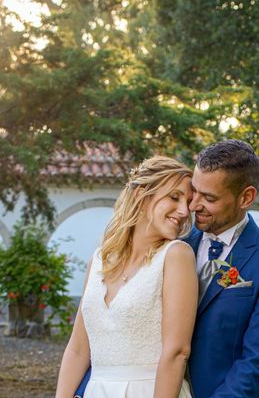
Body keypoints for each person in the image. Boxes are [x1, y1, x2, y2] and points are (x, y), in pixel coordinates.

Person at [55, 156, 198, 398]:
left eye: (188, 202)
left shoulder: (176, 255)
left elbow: (178, 351)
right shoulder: (98, 260)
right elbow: (79, 349)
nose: (184, 211)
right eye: (174, 197)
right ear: (142, 195)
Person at [185, 139, 259, 398]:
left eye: (209, 198)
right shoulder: (177, 242)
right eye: (195, 192)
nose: (193, 205)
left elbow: (256, 360)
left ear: (246, 197)